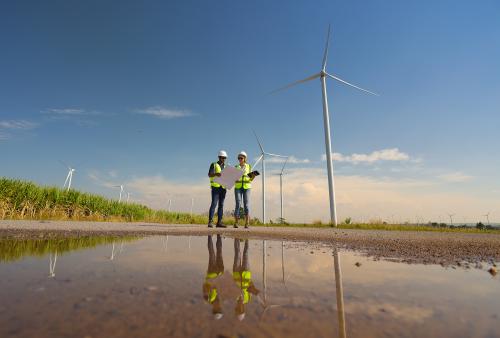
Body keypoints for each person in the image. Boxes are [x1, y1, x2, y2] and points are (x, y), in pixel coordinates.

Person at [232, 238, 260, 321]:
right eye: (241, 310)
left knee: (237, 254)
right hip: (246, 273)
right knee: (246, 253)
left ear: (235, 309)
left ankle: (236, 237)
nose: (239, 308)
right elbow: (251, 286)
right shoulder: (248, 299)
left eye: (238, 310)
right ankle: (247, 238)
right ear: (244, 309)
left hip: (236, 271)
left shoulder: (233, 297)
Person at [203, 235, 225, 320]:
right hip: (219, 272)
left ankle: (209, 235)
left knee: (212, 254)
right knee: (219, 252)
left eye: (216, 310)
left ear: (213, 309)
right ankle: (219, 235)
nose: (218, 308)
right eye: (219, 309)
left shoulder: (208, 298)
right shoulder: (222, 299)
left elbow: (207, 287)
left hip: (212, 273)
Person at [234, 151, 255, 228]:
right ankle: (236, 222)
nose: (239, 159)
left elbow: (251, 179)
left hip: (247, 187)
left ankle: (247, 222)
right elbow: (233, 178)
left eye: (241, 158)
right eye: (238, 158)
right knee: (238, 204)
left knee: (246, 204)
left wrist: (253, 176)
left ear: (245, 158)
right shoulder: (236, 167)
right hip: (238, 187)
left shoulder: (249, 166)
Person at [207, 150, 228, 228]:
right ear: (219, 157)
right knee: (214, 203)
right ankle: (210, 221)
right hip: (215, 187)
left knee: (221, 205)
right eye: (222, 157)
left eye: (225, 158)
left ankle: (219, 222)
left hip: (223, 188)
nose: (223, 159)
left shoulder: (226, 167)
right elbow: (209, 174)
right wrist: (216, 174)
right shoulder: (214, 164)